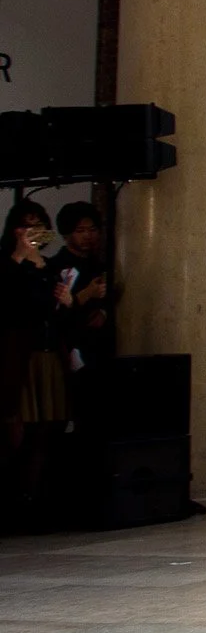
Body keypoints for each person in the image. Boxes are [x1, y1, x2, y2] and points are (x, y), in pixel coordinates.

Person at [2, 200, 71, 513]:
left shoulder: (50, 266)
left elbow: (53, 309)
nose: (32, 232)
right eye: (26, 225)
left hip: (47, 353)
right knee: (16, 427)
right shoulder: (8, 262)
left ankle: (36, 495)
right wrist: (19, 255)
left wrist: (69, 299)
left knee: (48, 427)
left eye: (38, 225)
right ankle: (16, 495)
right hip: (18, 353)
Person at [48, 201, 111, 375]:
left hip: (99, 347)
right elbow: (56, 312)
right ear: (67, 234)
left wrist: (103, 312)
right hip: (68, 348)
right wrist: (87, 294)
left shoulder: (100, 265)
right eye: (80, 231)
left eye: (92, 230)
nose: (88, 236)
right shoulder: (56, 266)